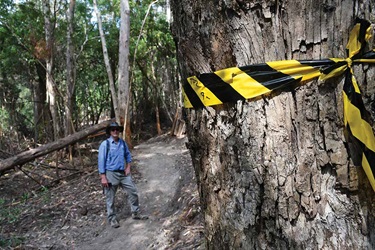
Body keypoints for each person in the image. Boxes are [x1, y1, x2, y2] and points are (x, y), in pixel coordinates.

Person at [98, 122, 148, 228]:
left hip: (123, 173)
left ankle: (135, 213)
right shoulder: (105, 144)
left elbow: (128, 155)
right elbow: (101, 161)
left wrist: (128, 166)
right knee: (110, 198)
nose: (115, 131)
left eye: (117, 129)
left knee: (133, 191)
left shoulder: (122, 143)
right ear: (110, 132)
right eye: (113, 129)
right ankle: (112, 219)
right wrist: (103, 177)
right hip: (110, 173)